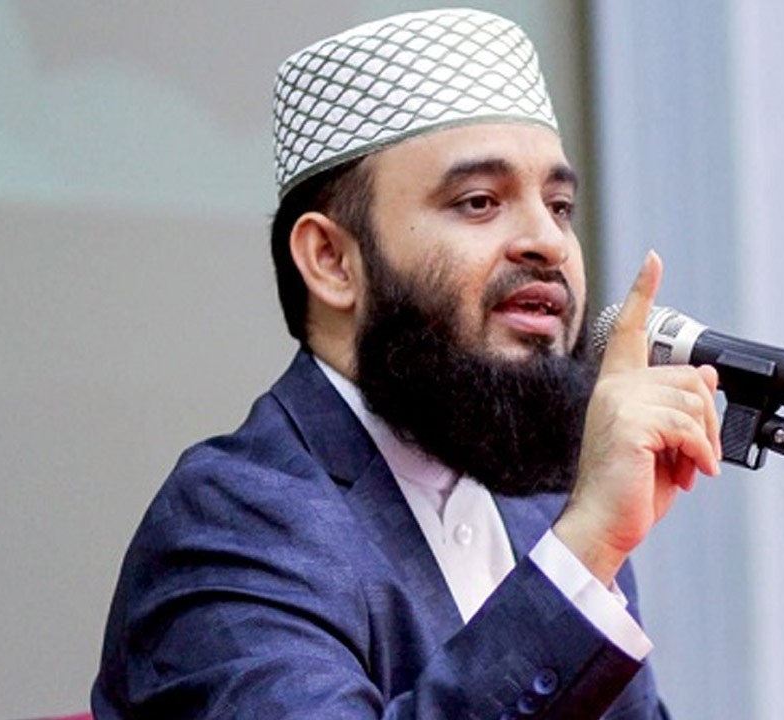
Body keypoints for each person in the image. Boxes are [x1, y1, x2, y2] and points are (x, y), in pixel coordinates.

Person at [92, 8, 721, 719]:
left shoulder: (544, 509)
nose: (547, 242)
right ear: (332, 260)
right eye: (479, 202)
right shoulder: (234, 521)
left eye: (559, 205)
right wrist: (581, 555)